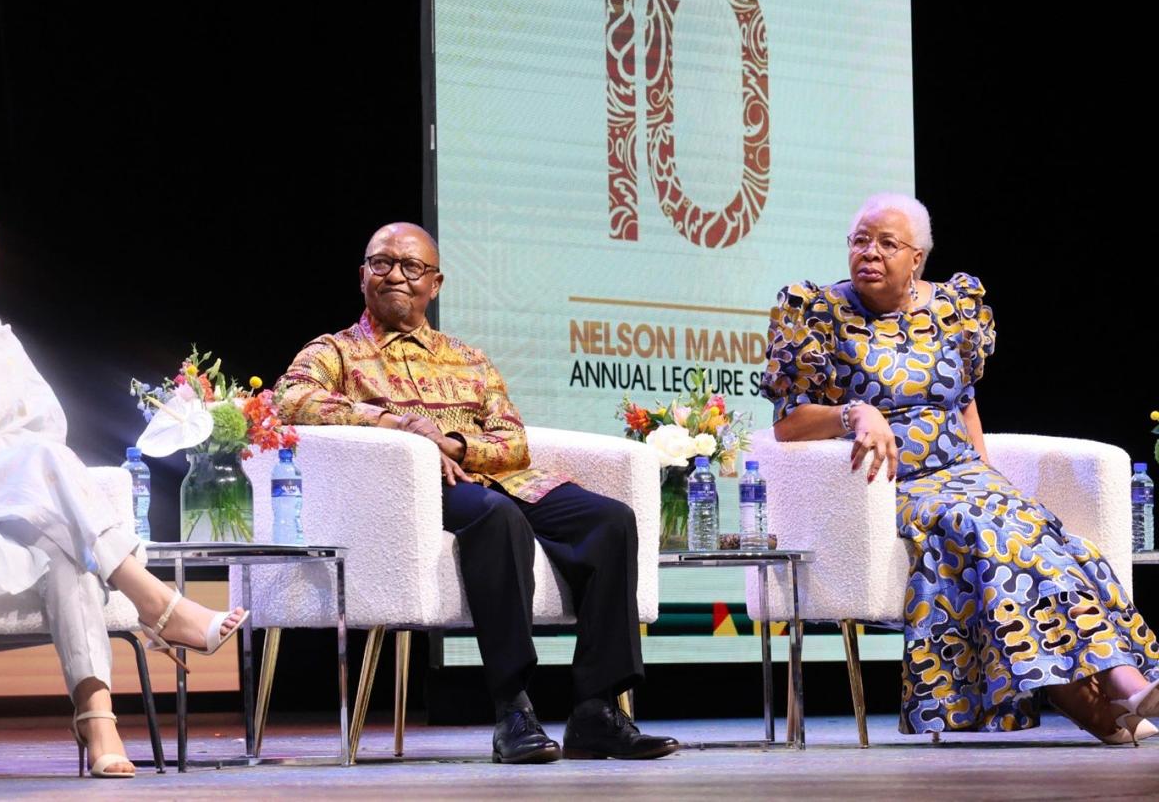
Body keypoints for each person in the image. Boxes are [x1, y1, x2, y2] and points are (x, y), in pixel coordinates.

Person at [0, 175, 249, 777]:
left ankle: (98, 720)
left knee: (62, 542)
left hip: (11, 496)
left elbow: (45, 428)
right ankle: (157, 604)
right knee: (47, 474)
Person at [762, 192, 1159, 743]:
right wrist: (858, 412)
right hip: (893, 486)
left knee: (1047, 540)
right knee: (992, 533)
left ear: (917, 258)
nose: (869, 253)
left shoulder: (952, 308)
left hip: (967, 478)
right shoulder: (817, 312)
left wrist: (987, 477)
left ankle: (1107, 702)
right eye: (860, 241)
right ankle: (1120, 688)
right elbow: (788, 422)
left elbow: (964, 399)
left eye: (886, 243)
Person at [275, 222, 679, 763]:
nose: (396, 275)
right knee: (495, 518)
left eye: (411, 267)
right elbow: (291, 401)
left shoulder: (469, 358)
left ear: (434, 284)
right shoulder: (336, 352)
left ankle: (596, 712)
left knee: (610, 521)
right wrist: (401, 427)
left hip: (497, 477)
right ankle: (513, 709)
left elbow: (513, 440)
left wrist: (457, 443)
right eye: (382, 263)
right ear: (363, 276)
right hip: (417, 491)